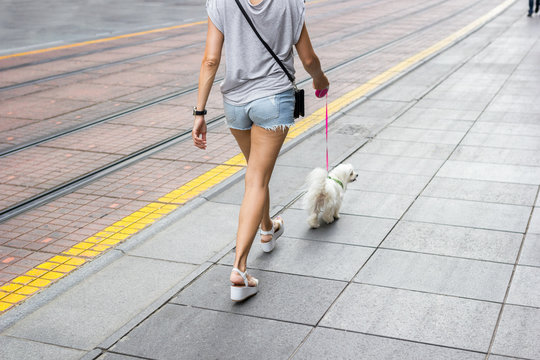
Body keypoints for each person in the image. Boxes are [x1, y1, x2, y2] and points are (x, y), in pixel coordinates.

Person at [192, 0, 329, 301]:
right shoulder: (290, 2)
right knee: (256, 180)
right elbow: (307, 58)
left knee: (256, 173)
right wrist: (320, 79)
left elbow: (210, 61)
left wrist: (200, 112)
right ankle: (239, 271)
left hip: (236, 105)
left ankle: (268, 228)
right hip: (273, 100)